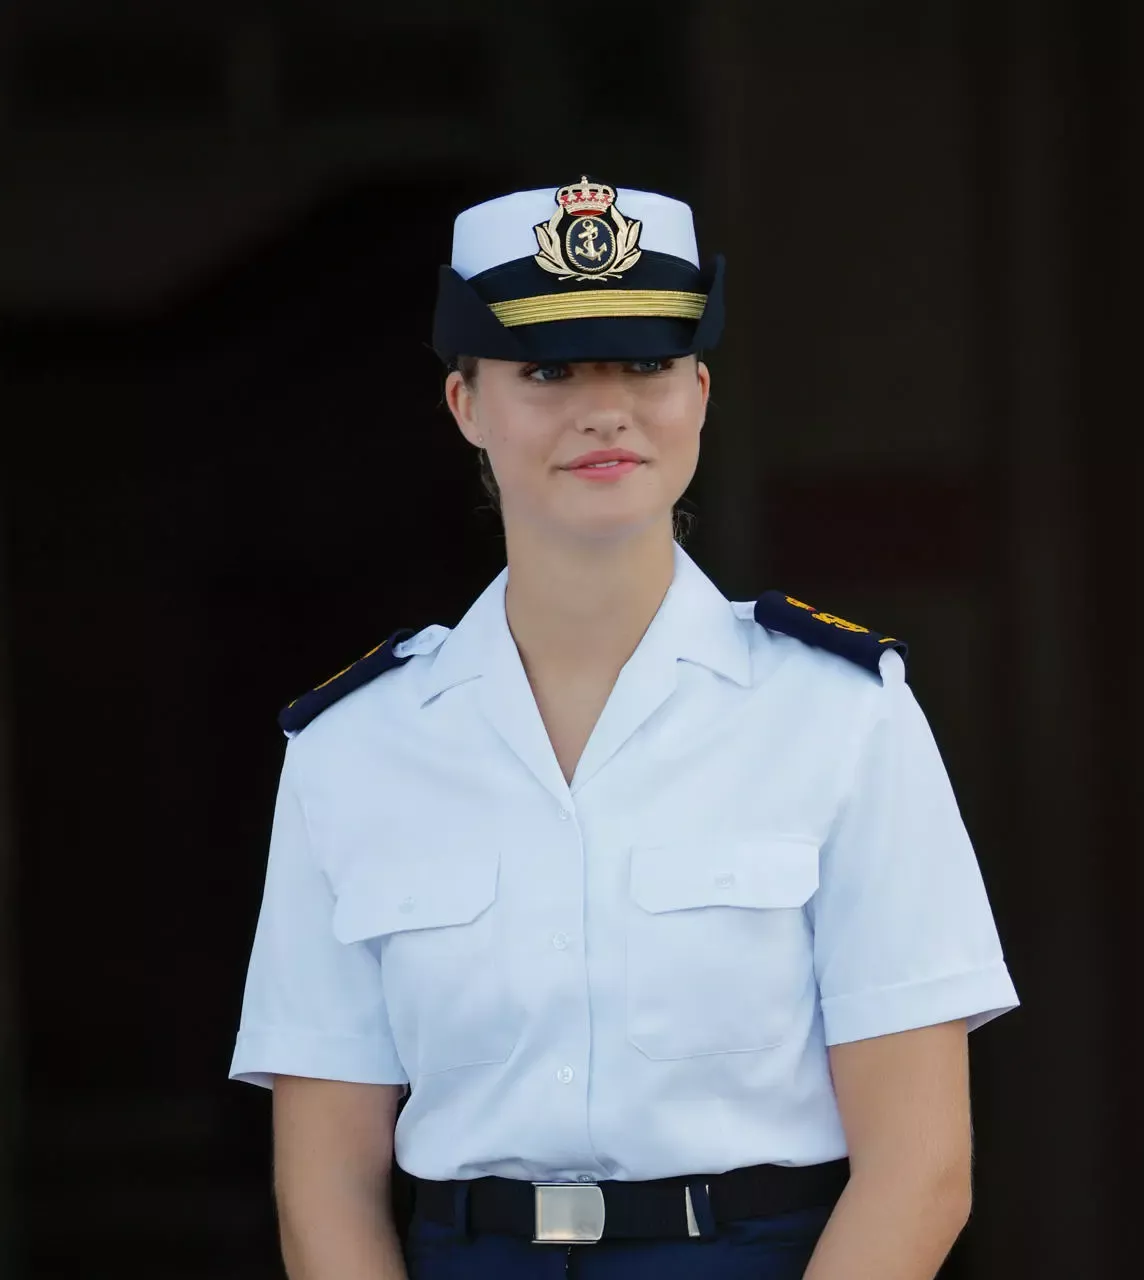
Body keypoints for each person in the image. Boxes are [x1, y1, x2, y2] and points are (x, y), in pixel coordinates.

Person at [229, 176, 1020, 1280]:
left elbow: (921, 1163)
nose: (605, 409)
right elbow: (323, 1180)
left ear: (699, 389)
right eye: (548, 370)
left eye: (644, 364)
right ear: (464, 404)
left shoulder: (839, 716)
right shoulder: (351, 749)